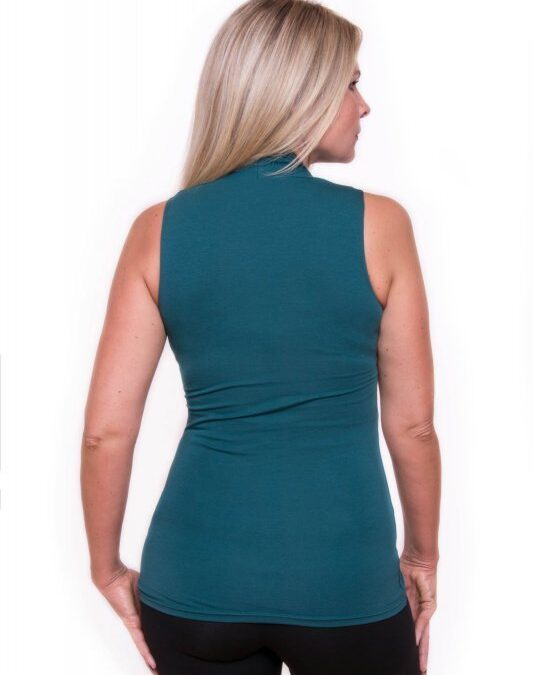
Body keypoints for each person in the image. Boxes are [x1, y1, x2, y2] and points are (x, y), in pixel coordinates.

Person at [80, 1, 441, 674]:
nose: (363, 106)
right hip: (343, 583)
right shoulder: (381, 226)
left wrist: (105, 568)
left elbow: (106, 431)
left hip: (193, 584)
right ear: (298, 91)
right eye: (350, 83)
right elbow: (412, 427)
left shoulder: (157, 230)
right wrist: (422, 556)